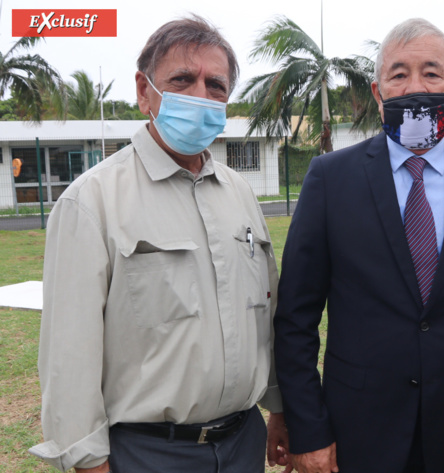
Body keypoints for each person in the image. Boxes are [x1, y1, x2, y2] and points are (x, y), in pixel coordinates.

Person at [29, 16, 290, 473]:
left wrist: (280, 409)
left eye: (216, 85)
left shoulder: (240, 195)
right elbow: (69, 354)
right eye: (182, 80)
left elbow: (265, 318)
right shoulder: (92, 202)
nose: (200, 97)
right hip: (148, 454)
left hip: (241, 444)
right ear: (144, 90)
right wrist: (87, 460)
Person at [274, 17, 444, 473]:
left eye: (431, 73)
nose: (415, 87)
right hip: (357, 431)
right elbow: (296, 319)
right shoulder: (330, 179)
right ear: (377, 94)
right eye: (398, 75)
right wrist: (309, 427)